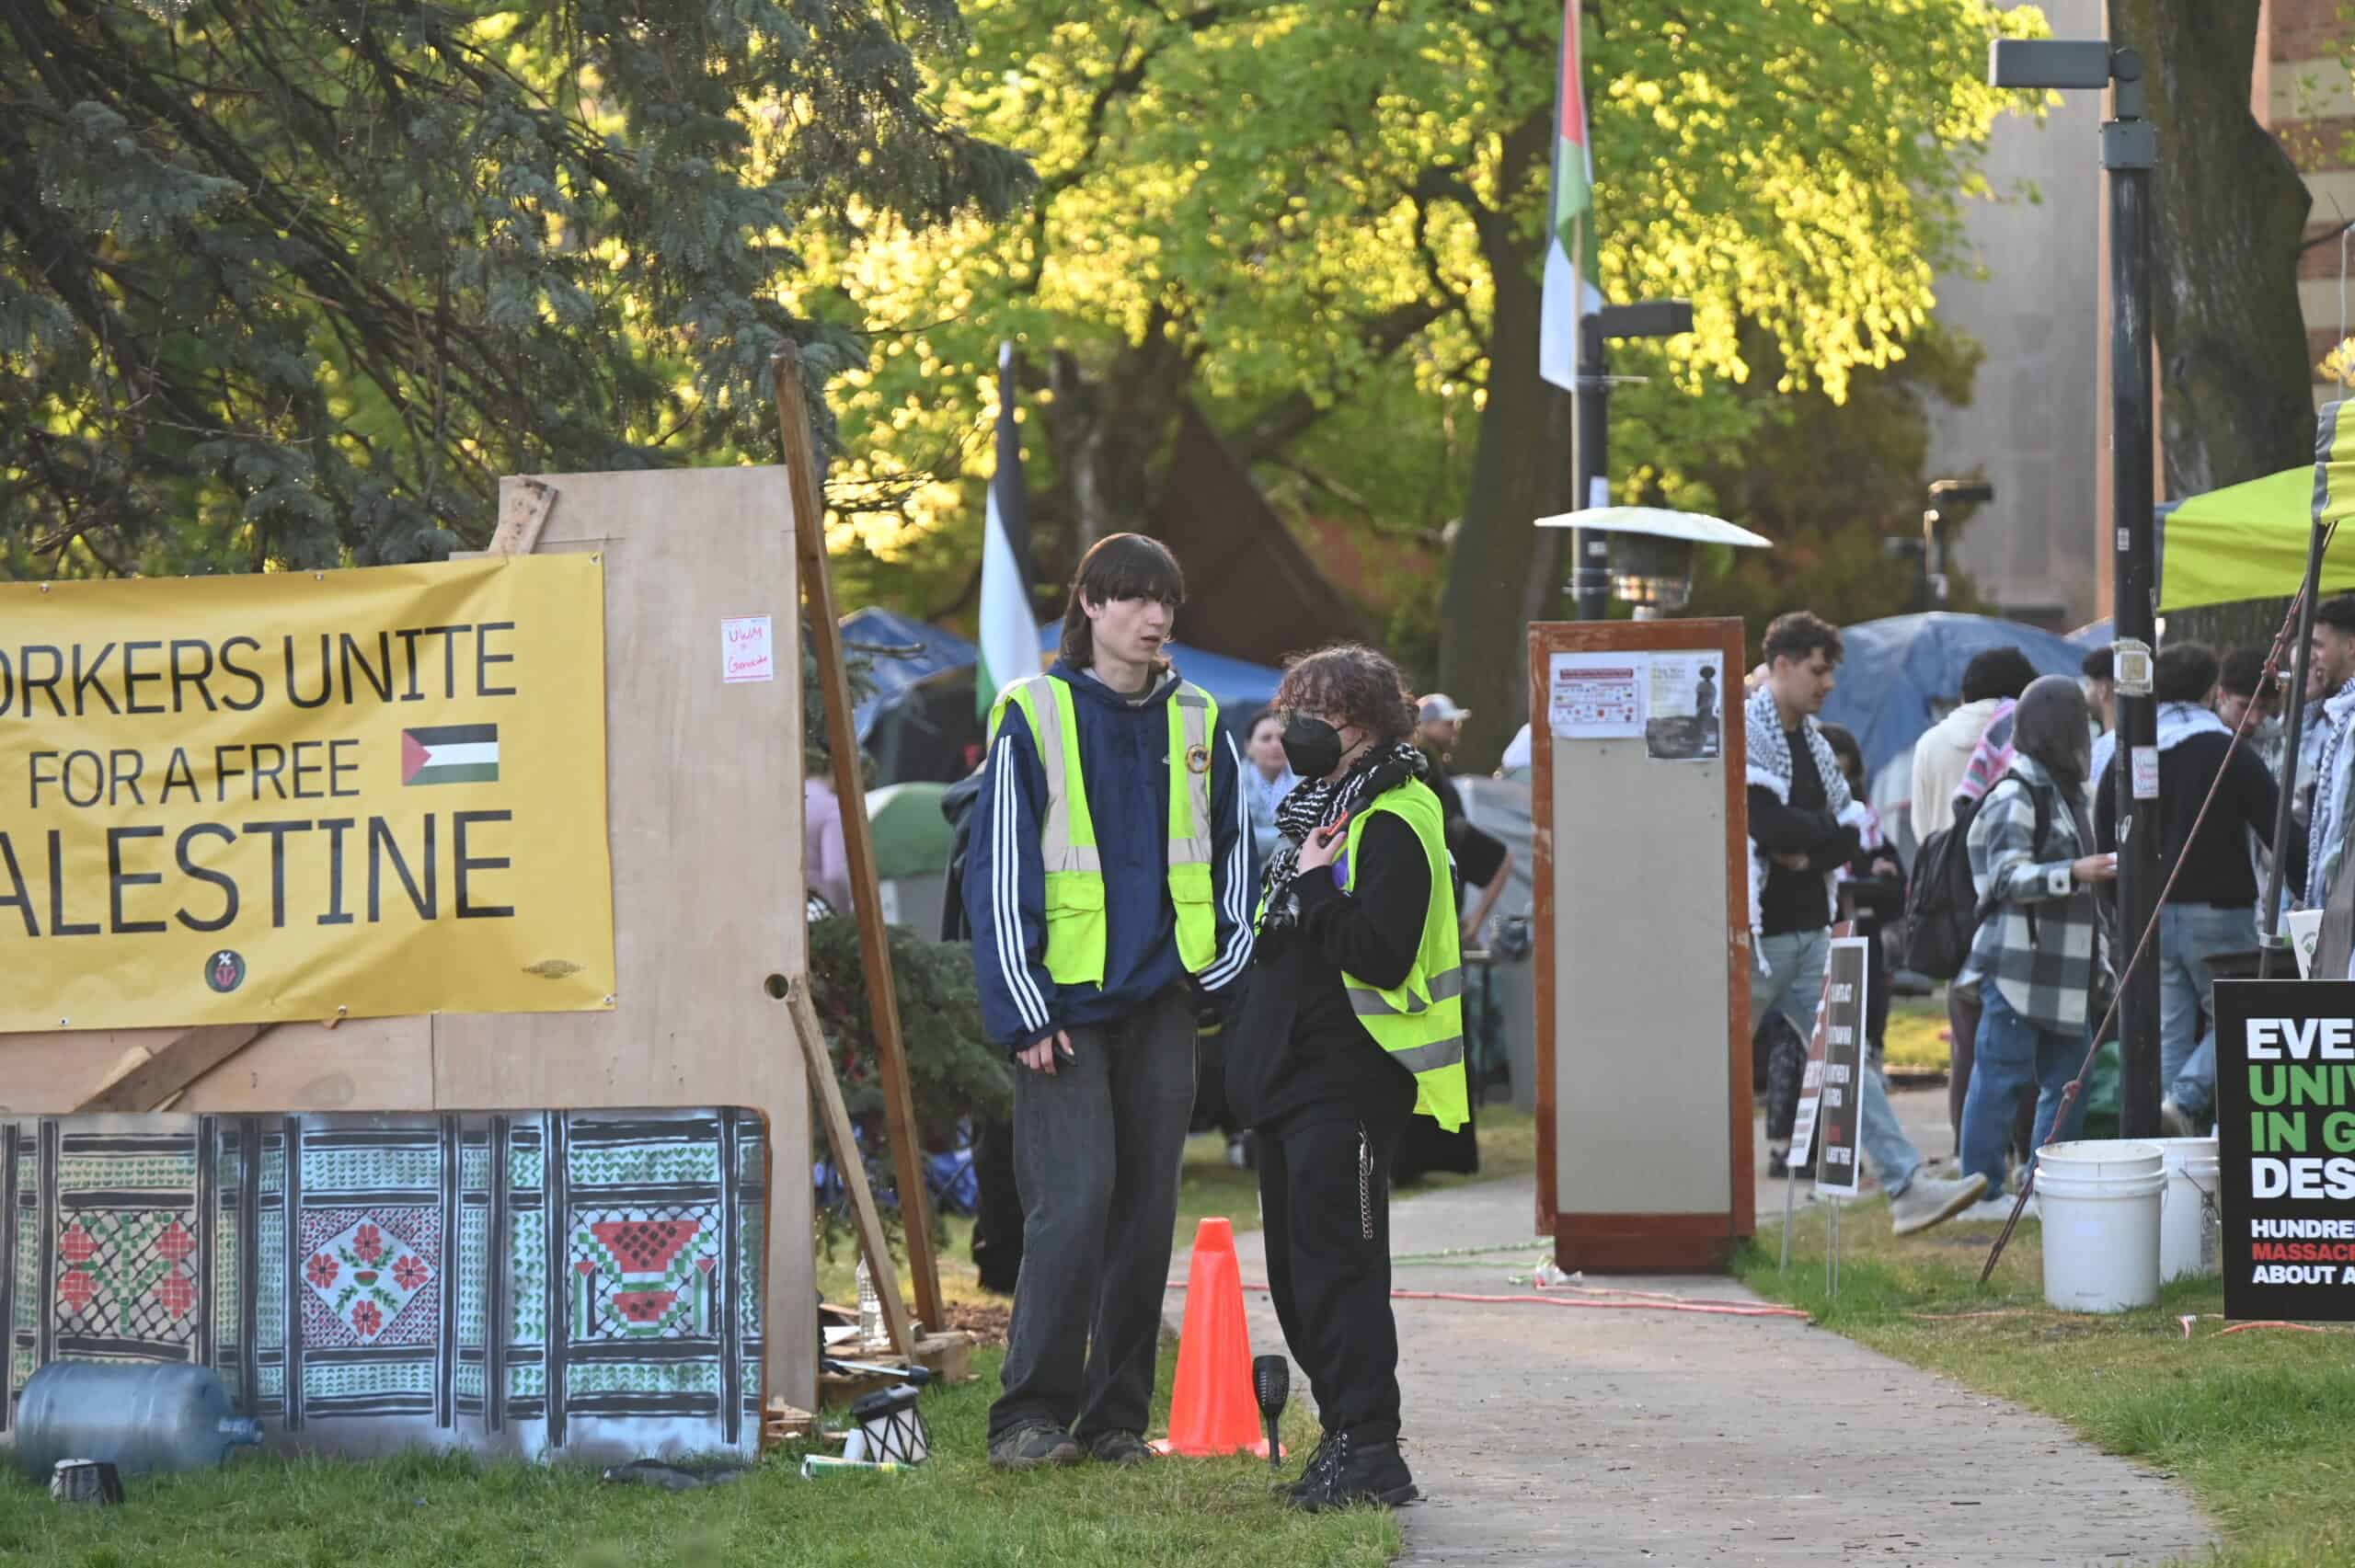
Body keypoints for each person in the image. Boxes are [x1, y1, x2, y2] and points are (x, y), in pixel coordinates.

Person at [963, 533, 1256, 1471]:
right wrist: (1024, 1005)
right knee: (1073, 1204)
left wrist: (1215, 971)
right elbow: (997, 870)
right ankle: (1026, 1416)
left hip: (1163, 1005)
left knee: (1143, 1212)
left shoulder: (1201, 719)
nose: (1156, 617)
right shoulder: (1032, 713)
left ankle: (1115, 1419)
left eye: (1166, 600)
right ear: (1088, 605)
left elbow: (1232, 860)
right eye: (1133, 599)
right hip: (1063, 1011)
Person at [1226, 644, 1465, 1514]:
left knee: (1342, 1271)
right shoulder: (1317, 812)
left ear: (1360, 725)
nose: (1293, 732)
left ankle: (1371, 1450)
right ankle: (1341, 1439)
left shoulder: (1397, 814)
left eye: (1312, 715)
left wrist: (1320, 887)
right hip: (1297, 1079)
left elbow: (1382, 950)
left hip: (1354, 1078)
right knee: (1298, 1275)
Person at [1745, 612, 1984, 1229]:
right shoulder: (1747, 733)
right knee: (1711, 1068)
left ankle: (1905, 1186)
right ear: (1782, 665)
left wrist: (1808, 843)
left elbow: (1853, 831)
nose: (1828, 685)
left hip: (1808, 931)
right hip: (1753, 938)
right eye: (1819, 671)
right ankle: (1669, 1190)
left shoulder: (1817, 745)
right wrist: (1809, 839)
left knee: (1850, 1060)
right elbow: (1764, 826)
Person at [2096, 644, 2286, 1138]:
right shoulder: (2226, 753)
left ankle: (2176, 1153)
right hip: (2220, 911)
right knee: (2239, 1016)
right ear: (2210, 692)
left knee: (2173, 1035)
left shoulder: (2128, 752)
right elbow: (2280, 830)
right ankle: (2183, 1102)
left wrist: (2122, 911)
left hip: (2151, 915)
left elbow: (2105, 838)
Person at [1959, 675, 2113, 1212]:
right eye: (2085, 722)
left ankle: (2042, 1184)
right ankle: (1980, 1191)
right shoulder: (2017, 791)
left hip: (2062, 972)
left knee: (2072, 1080)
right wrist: (2073, 871)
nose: (2092, 732)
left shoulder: (2063, 792)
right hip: (2019, 969)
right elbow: (2003, 879)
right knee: (1999, 1080)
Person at [1909, 647, 2038, 1150]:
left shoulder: (1930, 743)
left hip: (1950, 904)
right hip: (2011, 895)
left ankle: (1970, 1150)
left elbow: (1923, 831)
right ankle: (2022, 1147)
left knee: (1965, 1037)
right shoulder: (2024, 731)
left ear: (1965, 691)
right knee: (2022, 1033)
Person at [1242, 706, 1300, 873]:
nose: (1276, 745)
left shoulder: (1308, 782)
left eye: (1282, 738)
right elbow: (1240, 838)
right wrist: (1291, 839)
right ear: (1248, 747)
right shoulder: (1233, 784)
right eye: (1266, 738)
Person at [2217, 646, 2286, 781]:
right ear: (2222, 695)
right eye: (2244, 706)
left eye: (2264, 707)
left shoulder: (2275, 737)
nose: (2254, 720)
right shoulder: (2199, 735)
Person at [804, 757, 854, 919]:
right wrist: (844, 917)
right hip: (817, 911)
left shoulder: (786, 799)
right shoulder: (831, 807)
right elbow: (835, 875)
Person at [2081, 646, 2115, 734]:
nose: (2083, 695)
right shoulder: (2148, 735)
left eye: (2087, 685)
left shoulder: (2104, 746)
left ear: (2103, 690)